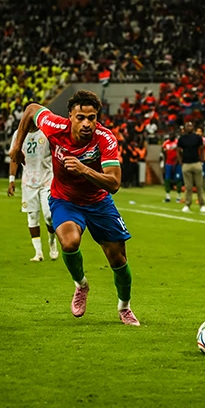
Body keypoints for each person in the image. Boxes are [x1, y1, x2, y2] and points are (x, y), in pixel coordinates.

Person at [10, 90, 140, 326]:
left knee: (118, 259)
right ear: (70, 116)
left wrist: (84, 169)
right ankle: (81, 285)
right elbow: (30, 110)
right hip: (65, 199)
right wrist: (17, 147)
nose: (87, 123)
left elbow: (114, 183)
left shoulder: (105, 138)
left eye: (92, 118)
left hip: (99, 202)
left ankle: (124, 307)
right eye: (81, 117)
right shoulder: (54, 126)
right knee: (69, 242)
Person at [8, 121, 59, 262]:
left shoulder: (46, 132)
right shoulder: (18, 134)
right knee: (32, 216)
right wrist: (11, 179)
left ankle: (52, 240)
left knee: (49, 216)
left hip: (47, 180)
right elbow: (14, 156)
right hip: (28, 182)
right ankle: (38, 253)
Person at [177, 122, 205, 213]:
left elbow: (201, 149)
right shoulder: (182, 139)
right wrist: (181, 162)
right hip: (186, 164)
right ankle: (187, 204)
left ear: (193, 127)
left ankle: (202, 204)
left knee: (199, 186)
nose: (189, 127)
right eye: (187, 126)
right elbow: (178, 151)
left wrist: (201, 160)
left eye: (190, 126)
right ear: (185, 128)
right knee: (188, 187)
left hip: (196, 163)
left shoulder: (198, 138)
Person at [161, 133, 182, 203]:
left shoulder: (178, 142)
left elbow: (180, 153)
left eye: (172, 135)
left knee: (178, 180)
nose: (170, 137)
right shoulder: (165, 143)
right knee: (167, 180)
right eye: (170, 135)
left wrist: (177, 163)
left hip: (177, 164)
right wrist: (165, 165)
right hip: (168, 163)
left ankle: (178, 197)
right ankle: (168, 197)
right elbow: (164, 154)